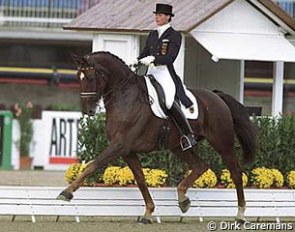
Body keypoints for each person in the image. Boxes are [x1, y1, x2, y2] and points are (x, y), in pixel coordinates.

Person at [137, 3, 197, 151]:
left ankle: (188, 135)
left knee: (169, 102)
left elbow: (170, 58)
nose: (157, 17)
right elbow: (145, 53)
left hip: (165, 73)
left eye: (160, 15)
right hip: (151, 73)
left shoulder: (174, 35)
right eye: (156, 15)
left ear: (168, 17)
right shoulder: (152, 34)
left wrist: (154, 59)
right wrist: (137, 60)